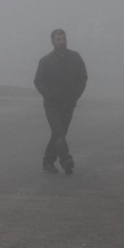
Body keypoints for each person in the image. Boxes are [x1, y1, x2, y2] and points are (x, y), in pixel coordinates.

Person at [34, 29, 88, 175]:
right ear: (52, 42)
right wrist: (49, 95)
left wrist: (75, 95)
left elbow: (82, 78)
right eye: (58, 39)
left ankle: (48, 162)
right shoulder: (46, 61)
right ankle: (65, 159)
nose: (62, 42)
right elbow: (38, 82)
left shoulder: (75, 58)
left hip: (68, 103)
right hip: (52, 105)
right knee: (58, 133)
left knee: (60, 134)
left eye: (63, 39)